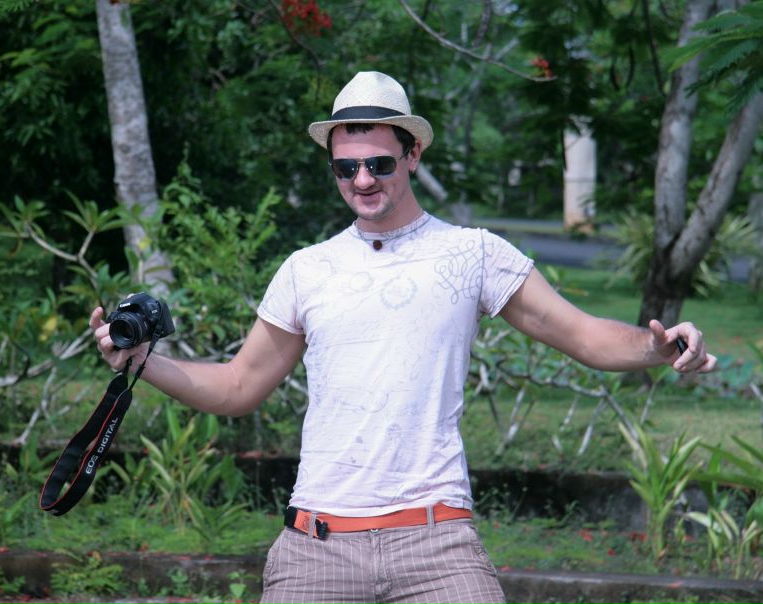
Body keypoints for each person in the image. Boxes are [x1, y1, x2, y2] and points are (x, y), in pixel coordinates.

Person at [91, 71, 717, 604]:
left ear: (412, 153)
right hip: (316, 548)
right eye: (346, 167)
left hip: (437, 545)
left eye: (379, 164)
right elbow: (237, 386)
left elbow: (581, 334)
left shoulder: (472, 253)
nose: (362, 180)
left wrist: (656, 347)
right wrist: (142, 361)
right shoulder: (307, 269)